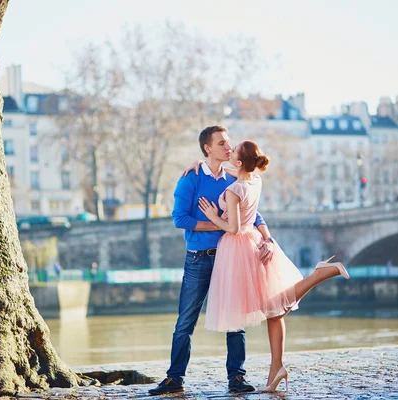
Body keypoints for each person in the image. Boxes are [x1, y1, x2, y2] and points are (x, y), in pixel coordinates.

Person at [197, 140, 349, 392]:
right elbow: (239, 175)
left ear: (237, 161)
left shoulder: (234, 190)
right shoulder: (255, 180)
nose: (229, 150)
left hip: (238, 248)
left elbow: (232, 227)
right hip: (255, 242)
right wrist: (202, 164)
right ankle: (276, 368)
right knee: (274, 311)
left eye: (232, 151)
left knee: (272, 305)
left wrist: (214, 217)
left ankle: (320, 274)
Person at [149, 126, 275, 395]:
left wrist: (266, 236)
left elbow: (252, 214)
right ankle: (174, 378)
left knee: (236, 320)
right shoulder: (190, 179)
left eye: (229, 142)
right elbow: (179, 219)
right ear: (208, 148)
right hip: (199, 260)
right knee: (186, 320)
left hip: (230, 258)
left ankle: (237, 378)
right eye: (222, 143)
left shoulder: (233, 178)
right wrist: (218, 225)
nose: (228, 147)